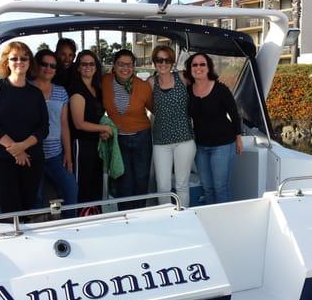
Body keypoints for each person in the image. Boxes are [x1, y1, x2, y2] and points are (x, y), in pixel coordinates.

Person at [0, 41, 49, 213]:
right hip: (0, 160)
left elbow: (43, 128)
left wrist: (22, 147)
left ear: (29, 62)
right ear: (6, 62)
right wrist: (15, 149)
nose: (20, 61)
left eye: (24, 58)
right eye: (14, 58)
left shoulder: (36, 94)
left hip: (31, 160)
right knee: (11, 210)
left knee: (26, 208)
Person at [185, 52, 243, 204]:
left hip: (223, 145)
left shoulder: (221, 89)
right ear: (190, 69)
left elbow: (234, 114)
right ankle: (210, 222)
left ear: (209, 67)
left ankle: (224, 223)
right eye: (194, 65)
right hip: (200, 146)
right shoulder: (188, 91)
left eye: (202, 64)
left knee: (220, 188)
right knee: (208, 188)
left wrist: (238, 137)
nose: (198, 67)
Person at [102, 49, 153, 210]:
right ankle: (125, 216)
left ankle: (140, 213)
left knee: (141, 178)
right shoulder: (104, 82)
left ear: (134, 67)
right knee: (123, 180)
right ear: (114, 66)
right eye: (121, 64)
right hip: (119, 140)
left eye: (129, 64)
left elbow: (156, 109)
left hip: (142, 138)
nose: (125, 68)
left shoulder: (143, 86)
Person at [147, 46, 195, 207]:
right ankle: (166, 218)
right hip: (161, 142)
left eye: (167, 60)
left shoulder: (182, 77)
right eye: (159, 60)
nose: (163, 63)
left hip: (185, 140)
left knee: (182, 185)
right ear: (154, 62)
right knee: (163, 187)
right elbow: (145, 104)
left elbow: (202, 84)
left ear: (172, 62)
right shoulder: (150, 83)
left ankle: (184, 217)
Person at [33, 49, 78, 216]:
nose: (48, 68)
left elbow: (64, 124)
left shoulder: (61, 92)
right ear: (37, 66)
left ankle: (70, 227)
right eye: (44, 64)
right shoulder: (25, 88)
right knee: (35, 200)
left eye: (52, 66)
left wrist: (68, 154)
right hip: (32, 156)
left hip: (55, 155)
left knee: (71, 190)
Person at [69, 50, 112, 203]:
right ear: (78, 68)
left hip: (96, 145)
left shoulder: (97, 89)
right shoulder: (77, 91)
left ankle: (95, 217)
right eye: (84, 64)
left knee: (96, 186)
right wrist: (104, 129)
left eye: (91, 64)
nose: (88, 67)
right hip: (82, 145)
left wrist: (102, 131)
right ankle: (82, 219)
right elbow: (79, 123)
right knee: (83, 187)